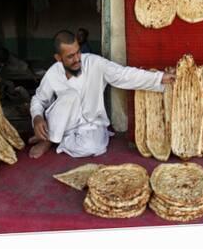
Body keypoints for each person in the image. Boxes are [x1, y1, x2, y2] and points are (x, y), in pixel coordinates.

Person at [28, 30, 176, 159]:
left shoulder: (94, 63)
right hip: (64, 122)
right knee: (70, 96)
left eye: (78, 52)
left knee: (94, 148)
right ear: (59, 58)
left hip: (90, 124)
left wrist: (159, 77)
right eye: (70, 56)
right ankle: (47, 140)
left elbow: (124, 75)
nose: (77, 59)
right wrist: (37, 118)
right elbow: (39, 99)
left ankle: (55, 137)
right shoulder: (53, 73)